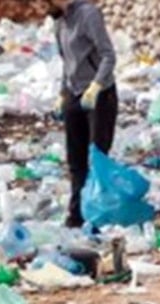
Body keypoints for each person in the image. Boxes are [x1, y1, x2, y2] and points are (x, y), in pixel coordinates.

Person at [47, 0, 117, 229]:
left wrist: (96, 85)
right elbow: (66, 64)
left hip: (99, 94)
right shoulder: (59, 23)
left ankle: (99, 211)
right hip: (74, 93)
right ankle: (76, 215)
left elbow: (108, 55)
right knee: (76, 160)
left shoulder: (88, 14)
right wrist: (62, 93)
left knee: (97, 156)